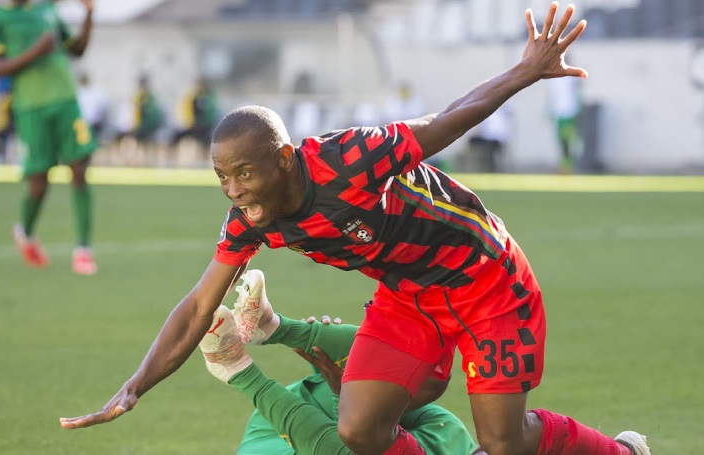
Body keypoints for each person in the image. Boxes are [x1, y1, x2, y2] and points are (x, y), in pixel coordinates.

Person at [60, 4, 651, 455]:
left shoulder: (350, 159)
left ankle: (621, 451)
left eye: (245, 173)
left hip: (485, 277)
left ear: (284, 159)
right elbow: (197, 309)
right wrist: (136, 384)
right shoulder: (248, 219)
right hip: (410, 294)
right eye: (223, 176)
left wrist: (524, 71)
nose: (234, 189)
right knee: (359, 427)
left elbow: (444, 122)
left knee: (503, 442)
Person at [202, 269, 478, 455]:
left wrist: (342, 395)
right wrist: (345, 390)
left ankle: (238, 366)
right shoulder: (449, 432)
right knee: (427, 374)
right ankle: (273, 328)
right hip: (327, 410)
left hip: (278, 429)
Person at [0, 0, 98, 275]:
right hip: (31, 106)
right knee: (39, 181)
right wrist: (36, 51)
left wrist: (89, 15)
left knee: (80, 168)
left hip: (66, 100)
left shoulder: (47, 10)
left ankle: (83, 250)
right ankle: (26, 231)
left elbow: (77, 50)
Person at [547, 59, 583, 174]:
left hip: (570, 112)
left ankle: (568, 166)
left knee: (568, 140)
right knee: (561, 141)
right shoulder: (553, 78)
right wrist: (550, 111)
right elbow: (553, 96)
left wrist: (579, 109)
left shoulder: (571, 77)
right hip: (559, 113)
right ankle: (564, 165)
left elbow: (577, 93)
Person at [76, 71, 109, 142]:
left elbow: (103, 106)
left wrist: (100, 118)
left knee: (95, 140)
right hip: (83, 122)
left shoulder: (96, 91)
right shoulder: (78, 91)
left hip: (95, 122)